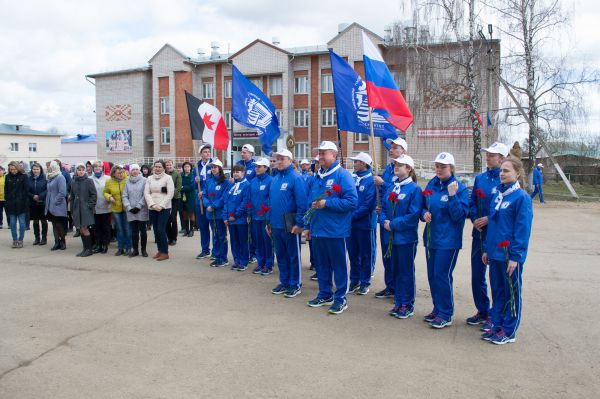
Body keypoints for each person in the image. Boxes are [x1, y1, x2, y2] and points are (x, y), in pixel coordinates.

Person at [482, 157, 533, 345]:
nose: (502, 173)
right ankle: (497, 324)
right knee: (497, 291)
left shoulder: (521, 198)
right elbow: (494, 226)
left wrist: (516, 257)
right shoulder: (498, 195)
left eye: (507, 170)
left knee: (511, 292)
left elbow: (522, 230)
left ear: (517, 173)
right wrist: (487, 248)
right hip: (495, 254)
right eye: (501, 170)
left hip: (509, 256)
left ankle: (509, 330)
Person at [305, 141, 357, 314]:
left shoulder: (343, 175)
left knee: (339, 265)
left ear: (334, 155)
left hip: (336, 230)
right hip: (318, 229)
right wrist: (308, 225)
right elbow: (310, 202)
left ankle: (341, 297)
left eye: (324, 153)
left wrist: (327, 203)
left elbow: (351, 201)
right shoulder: (318, 176)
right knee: (322, 264)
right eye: (319, 153)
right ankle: (324, 293)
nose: (320, 157)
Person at [421, 152, 469, 329]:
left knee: (442, 275)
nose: (439, 169)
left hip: (448, 241)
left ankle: (446, 313)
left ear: (452, 168)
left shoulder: (459, 188)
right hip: (431, 238)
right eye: (437, 166)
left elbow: (459, 216)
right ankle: (437, 308)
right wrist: (423, 214)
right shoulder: (431, 184)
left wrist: (452, 196)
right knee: (433, 275)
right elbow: (423, 206)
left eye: (443, 166)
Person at [466, 142, 508, 329]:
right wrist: (475, 217)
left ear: (502, 158)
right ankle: (483, 310)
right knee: (477, 275)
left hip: (496, 236)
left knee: (496, 277)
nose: (488, 157)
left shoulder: (505, 179)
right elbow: (472, 201)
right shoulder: (481, 178)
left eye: (493, 154)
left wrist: (489, 219)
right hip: (479, 233)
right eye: (487, 154)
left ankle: (496, 314)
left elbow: (506, 208)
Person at [380, 155, 422, 319]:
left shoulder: (414, 189)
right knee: (394, 270)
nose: (396, 167)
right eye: (396, 164)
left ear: (409, 169)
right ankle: (398, 301)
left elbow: (413, 216)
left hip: (405, 238)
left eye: (401, 165)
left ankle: (407, 303)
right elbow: (383, 207)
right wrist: (384, 221)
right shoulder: (392, 187)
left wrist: (393, 224)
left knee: (405, 271)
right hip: (390, 236)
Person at [267, 149, 308, 297]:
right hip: (276, 222)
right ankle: (284, 282)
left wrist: (299, 223)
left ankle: (294, 283)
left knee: (293, 255)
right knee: (281, 255)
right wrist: (270, 222)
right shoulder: (275, 179)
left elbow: (302, 203)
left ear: (290, 161)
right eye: (277, 159)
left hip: (290, 221)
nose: (278, 161)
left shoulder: (296, 178)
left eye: (282, 159)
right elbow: (271, 202)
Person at [373, 137, 408, 300]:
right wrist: (380, 207)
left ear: (404, 151)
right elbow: (385, 194)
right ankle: (390, 286)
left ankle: (400, 290)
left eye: (395, 147)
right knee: (387, 255)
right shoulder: (388, 168)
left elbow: (400, 191)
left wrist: (382, 184)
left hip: (397, 221)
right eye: (390, 147)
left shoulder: (408, 169)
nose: (391, 150)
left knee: (398, 258)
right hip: (385, 217)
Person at [346, 152, 377, 296]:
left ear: (364, 164)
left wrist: (351, 216)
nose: (354, 164)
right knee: (353, 254)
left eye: (357, 161)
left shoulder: (371, 180)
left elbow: (368, 205)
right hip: (351, 224)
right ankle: (354, 280)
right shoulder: (352, 178)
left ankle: (365, 282)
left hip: (364, 224)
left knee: (366, 254)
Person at [144, 160, 174, 261]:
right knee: (156, 230)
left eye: (159, 167)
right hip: (152, 207)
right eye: (155, 167)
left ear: (164, 168)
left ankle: (165, 252)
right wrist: (152, 204)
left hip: (164, 207)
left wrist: (161, 205)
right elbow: (146, 193)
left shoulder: (168, 178)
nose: (157, 168)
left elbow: (170, 194)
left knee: (161, 229)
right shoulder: (149, 178)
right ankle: (160, 250)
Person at [223, 164, 251, 271]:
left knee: (242, 241)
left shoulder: (246, 185)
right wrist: (225, 216)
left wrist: (235, 215)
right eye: (234, 171)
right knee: (234, 241)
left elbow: (245, 202)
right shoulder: (231, 185)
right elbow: (226, 201)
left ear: (243, 173)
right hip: (230, 220)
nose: (235, 173)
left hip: (240, 220)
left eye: (238, 171)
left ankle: (243, 261)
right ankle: (237, 260)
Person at [202, 159, 230, 267]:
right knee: (215, 235)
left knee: (221, 235)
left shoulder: (225, 182)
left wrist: (214, 205)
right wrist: (207, 204)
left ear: (220, 168)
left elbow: (225, 197)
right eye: (212, 167)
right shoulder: (209, 181)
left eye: (215, 167)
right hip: (210, 213)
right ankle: (217, 256)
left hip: (219, 214)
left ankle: (223, 258)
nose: (213, 169)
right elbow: (204, 194)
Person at [249, 157, 274, 275]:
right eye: (256, 166)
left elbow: (271, 199)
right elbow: (250, 199)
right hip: (255, 216)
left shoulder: (270, 180)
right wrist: (249, 213)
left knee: (266, 241)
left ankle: (268, 264)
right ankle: (260, 263)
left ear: (266, 168)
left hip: (265, 217)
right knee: (258, 241)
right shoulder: (253, 181)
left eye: (259, 166)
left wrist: (268, 216)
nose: (257, 168)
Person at [70, 163, 97, 257]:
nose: (81, 172)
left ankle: (89, 249)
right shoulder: (73, 182)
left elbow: (94, 195)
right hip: (77, 209)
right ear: (76, 171)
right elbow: (72, 197)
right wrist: (72, 210)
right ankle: (84, 248)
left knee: (85, 228)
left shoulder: (89, 181)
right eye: (79, 170)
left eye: (82, 170)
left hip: (86, 209)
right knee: (80, 229)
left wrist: (90, 205)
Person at [123, 164, 149, 257]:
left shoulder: (145, 180)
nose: (135, 171)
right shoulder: (127, 182)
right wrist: (129, 207)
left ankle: (144, 250)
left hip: (141, 209)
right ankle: (135, 250)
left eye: (136, 169)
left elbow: (145, 194)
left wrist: (138, 206)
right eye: (133, 169)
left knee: (143, 231)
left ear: (139, 171)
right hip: (131, 210)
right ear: (130, 171)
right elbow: (124, 196)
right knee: (134, 231)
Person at [104, 165, 131, 256]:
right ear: (113, 174)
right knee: (119, 229)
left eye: (122, 172)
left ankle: (128, 247)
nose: (121, 174)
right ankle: (120, 248)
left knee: (127, 228)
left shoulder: (127, 180)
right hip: (116, 208)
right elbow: (105, 192)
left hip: (127, 208)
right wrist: (109, 197)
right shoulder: (109, 182)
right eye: (118, 173)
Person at [193, 144, 213, 259]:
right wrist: (196, 181)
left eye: (208, 152)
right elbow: (193, 184)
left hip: (210, 199)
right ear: (200, 154)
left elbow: (215, 182)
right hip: (199, 201)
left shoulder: (213, 165)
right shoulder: (197, 166)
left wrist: (204, 192)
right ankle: (205, 249)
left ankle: (216, 250)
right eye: (205, 152)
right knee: (203, 226)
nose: (207, 153)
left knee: (213, 227)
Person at [5, 161, 29, 248]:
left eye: (14, 169)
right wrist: (7, 200)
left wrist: (21, 199)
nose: (13, 171)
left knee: (22, 223)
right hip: (11, 203)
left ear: (18, 168)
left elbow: (26, 189)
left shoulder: (24, 176)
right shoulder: (7, 177)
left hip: (21, 203)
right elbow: (6, 190)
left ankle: (20, 239)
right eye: (11, 169)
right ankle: (14, 240)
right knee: (12, 223)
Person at [45, 161, 68, 251]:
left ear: (54, 167)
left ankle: (62, 242)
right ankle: (56, 242)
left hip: (58, 205)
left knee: (59, 224)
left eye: (50, 167)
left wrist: (55, 202)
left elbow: (62, 192)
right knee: (54, 224)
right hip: (50, 205)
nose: (49, 168)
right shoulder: (50, 177)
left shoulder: (60, 177)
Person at [91, 161, 111, 254]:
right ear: (93, 168)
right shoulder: (90, 179)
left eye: (99, 167)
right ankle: (98, 244)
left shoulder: (108, 178)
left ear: (102, 168)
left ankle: (105, 245)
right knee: (96, 227)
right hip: (95, 207)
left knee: (105, 227)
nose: (97, 169)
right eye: (96, 167)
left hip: (106, 206)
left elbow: (110, 192)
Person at [28, 163, 48, 246]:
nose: (35, 171)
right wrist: (33, 196)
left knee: (43, 221)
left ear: (40, 170)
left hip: (42, 202)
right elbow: (26, 190)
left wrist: (40, 196)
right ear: (32, 170)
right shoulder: (29, 179)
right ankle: (37, 238)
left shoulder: (45, 178)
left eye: (37, 169)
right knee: (35, 221)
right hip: (32, 203)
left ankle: (44, 238)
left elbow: (47, 189)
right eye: (34, 169)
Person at [165, 159, 182, 246]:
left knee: (173, 218)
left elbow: (178, 187)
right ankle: (169, 237)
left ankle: (174, 238)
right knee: (166, 219)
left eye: (170, 165)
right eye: (167, 165)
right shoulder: (164, 174)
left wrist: (170, 195)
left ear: (172, 165)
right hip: (165, 200)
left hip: (175, 198)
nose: (168, 166)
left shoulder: (177, 174)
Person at [180, 161, 196, 237]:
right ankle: (186, 230)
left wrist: (183, 188)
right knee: (184, 213)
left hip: (191, 196)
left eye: (188, 166)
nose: (186, 168)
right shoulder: (181, 175)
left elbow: (192, 186)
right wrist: (182, 188)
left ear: (190, 168)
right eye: (185, 167)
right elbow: (179, 184)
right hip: (182, 196)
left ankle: (191, 230)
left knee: (191, 213)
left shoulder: (193, 175)